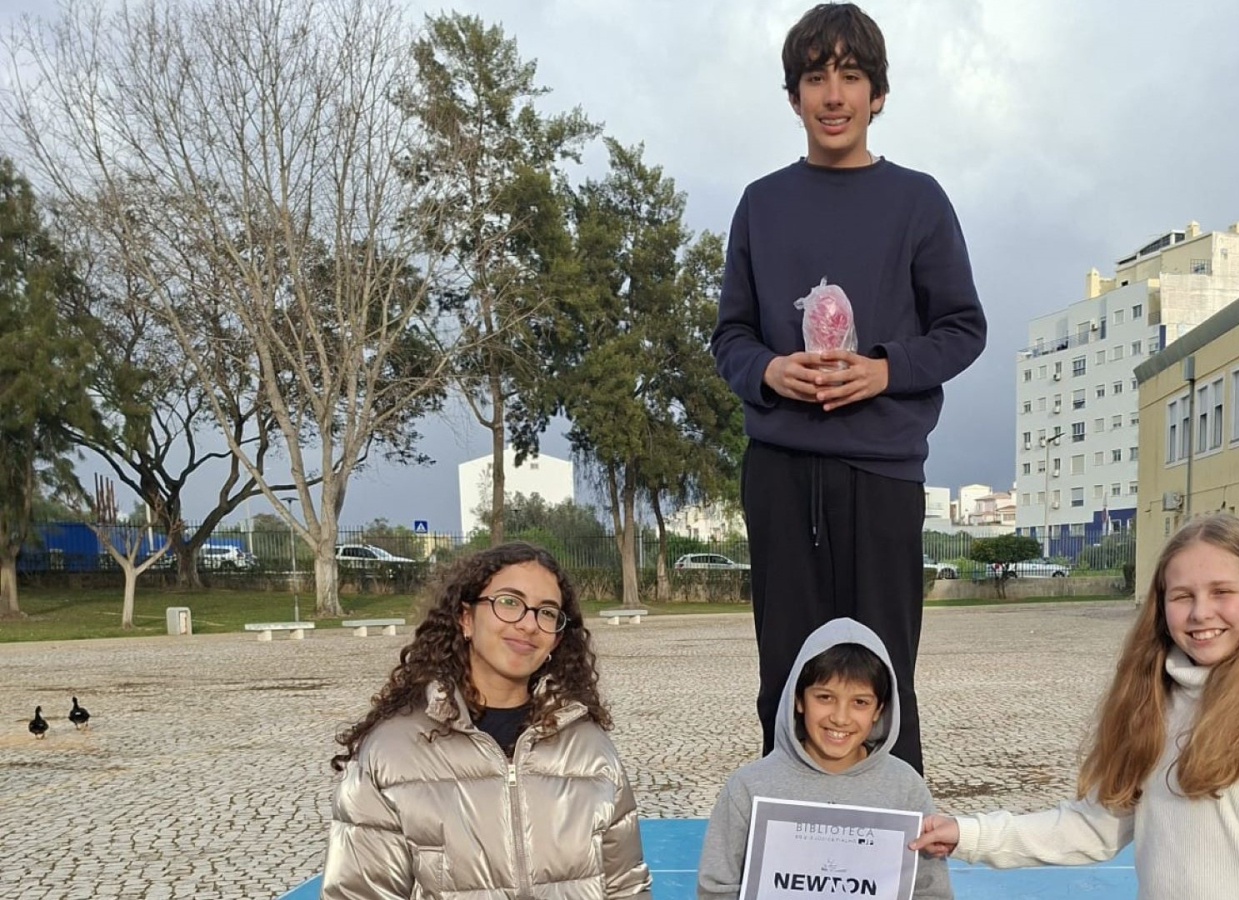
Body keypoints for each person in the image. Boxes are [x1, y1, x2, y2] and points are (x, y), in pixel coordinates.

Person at [710, 1, 986, 776]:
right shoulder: (761, 204)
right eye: (815, 76)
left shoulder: (919, 201)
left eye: (851, 76)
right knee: (789, 680)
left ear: (878, 95)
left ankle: (894, 864)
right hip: (780, 472)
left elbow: (963, 328)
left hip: (882, 472)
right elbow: (728, 336)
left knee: (883, 681)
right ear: (794, 95)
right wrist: (768, 370)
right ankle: (784, 860)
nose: (834, 95)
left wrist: (885, 368)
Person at [911, 514, 1239, 900]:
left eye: (1222, 592)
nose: (1201, 612)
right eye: (1182, 596)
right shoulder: (1155, 701)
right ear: (1162, 606)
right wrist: (967, 833)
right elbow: (1095, 826)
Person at [320, 542, 651, 900]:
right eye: (509, 602)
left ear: (556, 637)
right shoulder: (390, 753)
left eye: (547, 612)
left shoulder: (592, 749)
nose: (528, 624)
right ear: (465, 618)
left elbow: (625, 887)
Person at [697, 618, 952, 900]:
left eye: (860, 702)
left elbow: (931, 891)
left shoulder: (906, 789)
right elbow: (716, 889)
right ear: (799, 699)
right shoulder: (748, 788)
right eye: (825, 697)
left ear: (879, 709)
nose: (840, 718)